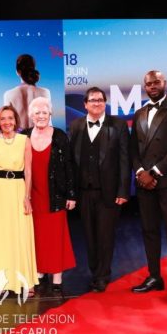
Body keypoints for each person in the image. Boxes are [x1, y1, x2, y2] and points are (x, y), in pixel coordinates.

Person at [129, 70, 167, 306]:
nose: (152, 86)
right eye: (148, 84)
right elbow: (133, 149)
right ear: (144, 87)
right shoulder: (139, 113)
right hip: (144, 183)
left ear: (164, 83)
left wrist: (153, 173)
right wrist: (140, 173)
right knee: (149, 231)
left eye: (156, 82)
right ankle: (155, 276)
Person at [68, 86, 131, 293]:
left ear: (105, 103)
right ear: (85, 104)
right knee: (89, 236)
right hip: (83, 192)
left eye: (100, 100)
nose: (97, 103)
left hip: (109, 192)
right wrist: (71, 192)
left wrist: (123, 191)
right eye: (93, 100)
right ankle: (95, 272)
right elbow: (71, 161)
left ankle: (103, 275)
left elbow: (125, 160)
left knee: (105, 236)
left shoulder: (118, 125)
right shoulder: (76, 125)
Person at [0, 105, 38, 296]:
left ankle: (26, 281)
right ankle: (0, 281)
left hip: (17, 189)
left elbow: (28, 171)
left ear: (16, 120)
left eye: (10, 118)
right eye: (3, 119)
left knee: (20, 235)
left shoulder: (24, 140)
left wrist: (27, 197)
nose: (7, 122)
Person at [22, 97, 76, 294]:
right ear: (31, 115)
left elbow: (69, 165)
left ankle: (57, 277)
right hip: (32, 195)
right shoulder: (24, 136)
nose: (41, 116)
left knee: (55, 236)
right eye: (37, 113)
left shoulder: (59, 135)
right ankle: (39, 271)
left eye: (44, 112)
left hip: (55, 194)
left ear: (50, 114)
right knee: (36, 235)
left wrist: (71, 194)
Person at [3, 54, 51, 130]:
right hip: (40, 136)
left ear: (18, 72)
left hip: (20, 136)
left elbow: (7, 125)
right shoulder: (45, 92)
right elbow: (49, 122)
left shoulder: (8, 94)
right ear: (33, 69)